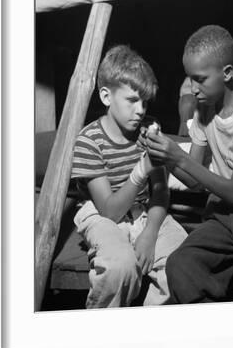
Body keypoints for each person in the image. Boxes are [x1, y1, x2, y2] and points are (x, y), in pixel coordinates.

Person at [143, 25, 233, 303]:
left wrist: (180, 156)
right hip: (221, 212)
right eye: (189, 80)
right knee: (181, 264)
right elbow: (194, 181)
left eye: (200, 80)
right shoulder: (204, 109)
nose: (193, 89)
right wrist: (164, 158)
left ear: (226, 73)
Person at [71, 45, 187, 308]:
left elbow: (160, 191)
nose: (140, 110)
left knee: (183, 262)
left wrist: (149, 232)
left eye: (145, 102)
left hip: (146, 211)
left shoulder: (148, 130)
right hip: (101, 216)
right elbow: (109, 212)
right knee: (119, 268)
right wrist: (141, 168)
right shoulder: (89, 141)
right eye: (132, 100)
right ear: (106, 96)